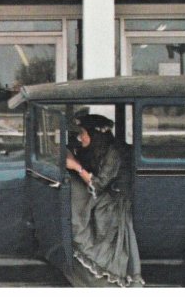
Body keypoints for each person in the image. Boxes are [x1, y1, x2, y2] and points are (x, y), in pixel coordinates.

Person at [64, 114, 143, 287]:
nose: (81, 137)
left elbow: (98, 185)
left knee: (77, 203)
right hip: (103, 198)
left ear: (95, 135)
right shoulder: (98, 149)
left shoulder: (113, 153)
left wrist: (76, 166)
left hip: (113, 204)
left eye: (84, 133)